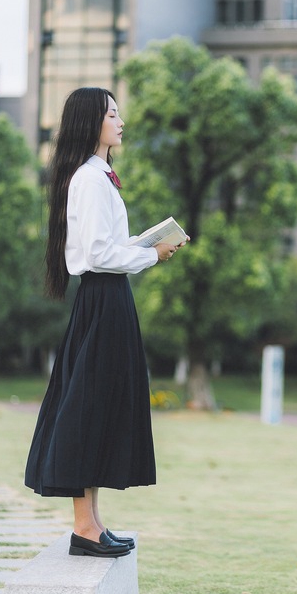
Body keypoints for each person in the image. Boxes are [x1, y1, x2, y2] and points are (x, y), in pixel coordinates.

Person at [25, 87, 185, 558]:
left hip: (108, 298)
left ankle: (91, 523)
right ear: (91, 121)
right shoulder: (90, 180)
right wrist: (150, 256)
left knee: (97, 404)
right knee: (88, 408)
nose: (120, 119)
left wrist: (146, 244)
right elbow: (96, 255)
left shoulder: (99, 176)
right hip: (103, 298)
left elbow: (107, 246)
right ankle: (84, 528)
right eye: (111, 112)